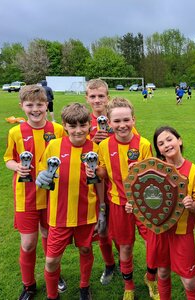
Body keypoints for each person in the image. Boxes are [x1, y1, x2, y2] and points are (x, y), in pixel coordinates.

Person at [86, 97, 159, 300]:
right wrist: (94, 171)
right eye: (116, 121)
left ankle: (151, 278)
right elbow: (102, 172)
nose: (122, 125)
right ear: (108, 123)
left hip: (143, 205)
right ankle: (129, 286)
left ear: (133, 120)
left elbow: (150, 176)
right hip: (118, 204)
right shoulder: (103, 146)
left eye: (126, 120)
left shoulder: (143, 144)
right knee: (125, 246)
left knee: (153, 243)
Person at [3, 85, 66, 300]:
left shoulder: (57, 130)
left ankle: (54, 275)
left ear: (46, 105)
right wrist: (17, 167)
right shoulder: (15, 132)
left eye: (40, 104)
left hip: (52, 195)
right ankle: (28, 284)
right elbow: (8, 159)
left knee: (50, 237)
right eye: (30, 105)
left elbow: (65, 155)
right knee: (28, 243)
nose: (35, 109)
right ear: (22, 106)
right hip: (26, 195)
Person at [126, 126, 195, 300]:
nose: (166, 145)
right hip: (159, 230)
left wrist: (192, 205)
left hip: (182, 233)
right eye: (160, 143)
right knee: (162, 273)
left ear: (179, 140)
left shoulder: (194, 171)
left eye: (169, 139)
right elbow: (141, 193)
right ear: (158, 149)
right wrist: (133, 206)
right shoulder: (154, 170)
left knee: (189, 282)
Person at [36, 103, 98, 300]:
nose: (78, 130)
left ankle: (84, 287)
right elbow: (42, 170)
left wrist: (102, 209)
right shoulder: (54, 145)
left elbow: (101, 180)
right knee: (52, 259)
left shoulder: (95, 148)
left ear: (89, 125)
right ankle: (52, 295)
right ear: (64, 126)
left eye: (82, 125)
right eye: (73, 126)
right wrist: (41, 176)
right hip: (59, 214)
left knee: (86, 249)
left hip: (86, 214)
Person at [85, 78, 119, 285]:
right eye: (93, 96)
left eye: (101, 96)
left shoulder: (117, 118)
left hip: (115, 182)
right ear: (87, 98)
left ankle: (125, 265)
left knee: (120, 229)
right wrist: (92, 142)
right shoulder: (83, 120)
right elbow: (73, 144)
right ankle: (109, 265)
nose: (97, 100)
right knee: (102, 228)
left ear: (108, 97)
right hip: (91, 183)